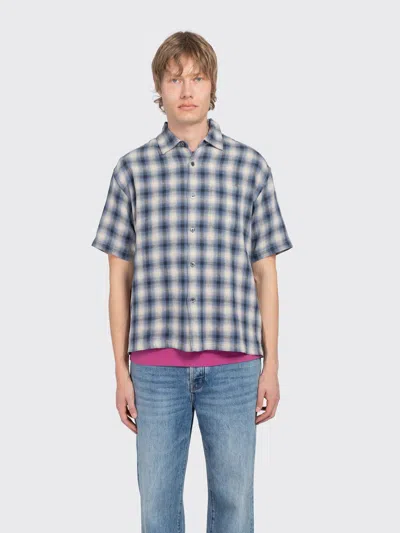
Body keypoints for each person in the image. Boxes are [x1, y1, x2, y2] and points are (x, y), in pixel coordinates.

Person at [91, 30, 293, 533]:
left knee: (235, 504)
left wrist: (271, 365)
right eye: (175, 78)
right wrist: (120, 371)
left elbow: (265, 273)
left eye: (197, 77)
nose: (186, 89)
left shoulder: (251, 167)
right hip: (154, 370)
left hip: (236, 366)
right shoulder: (131, 170)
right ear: (158, 89)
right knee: (157, 507)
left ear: (212, 86)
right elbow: (119, 278)